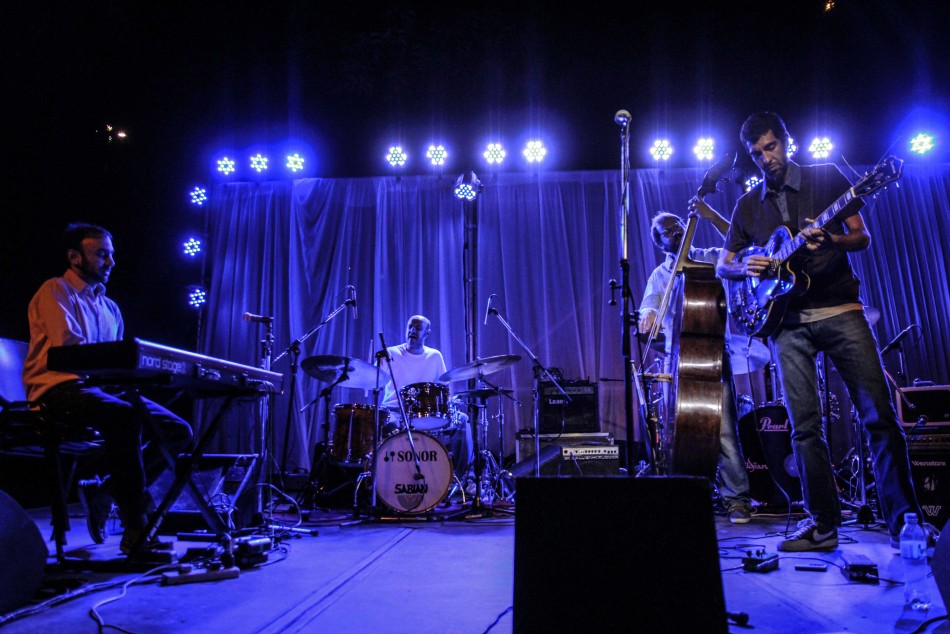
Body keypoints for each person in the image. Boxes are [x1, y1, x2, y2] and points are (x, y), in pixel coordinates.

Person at [716, 111, 924, 552]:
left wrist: (832, 241)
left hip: (841, 310)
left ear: (786, 141)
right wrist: (745, 265)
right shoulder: (747, 205)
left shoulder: (826, 177)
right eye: (757, 153)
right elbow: (723, 264)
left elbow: (861, 237)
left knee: (879, 417)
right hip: (787, 324)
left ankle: (905, 524)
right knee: (804, 429)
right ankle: (823, 526)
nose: (766, 159)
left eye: (771, 147)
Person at [22, 222, 194, 555]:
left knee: (177, 431)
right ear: (75, 257)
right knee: (124, 415)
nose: (111, 262)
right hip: (58, 391)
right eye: (102, 254)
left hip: (99, 390)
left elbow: (117, 362)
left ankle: (106, 491)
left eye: (111, 255)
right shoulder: (55, 290)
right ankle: (136, 529)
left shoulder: (110, 307)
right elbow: (69, 352)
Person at [638, 204, 754, 524]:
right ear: (659, 242)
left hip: (714, 352)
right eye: (668, 231)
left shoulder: (712, 258)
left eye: (679, 224)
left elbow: (740, 243)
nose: (676, 231)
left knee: (724, 428)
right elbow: (650, 303)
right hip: (677, 359)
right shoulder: (661, 274)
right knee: (682, 430)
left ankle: (737, 498)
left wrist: (711, 214)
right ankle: (687, 493)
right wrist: (648, 313)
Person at [379, 315, 472, 486]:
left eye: (418, 328)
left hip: (424, 412)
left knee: (463, 420)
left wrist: (451, 402)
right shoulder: (390, 353)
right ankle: (389, 481)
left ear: (427, 333)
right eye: (410, 327)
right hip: (395, 410)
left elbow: (444, 388)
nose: (412, 331)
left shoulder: (434, 356)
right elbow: (374, 380)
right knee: (387, 425)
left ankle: (459, 480)